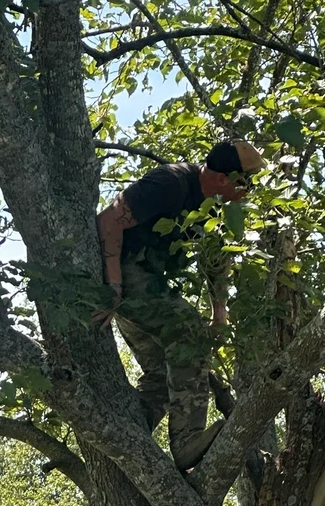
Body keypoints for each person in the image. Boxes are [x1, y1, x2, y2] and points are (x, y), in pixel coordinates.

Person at [94, 139, 263, 470]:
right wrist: (113, 288)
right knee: (187, 331)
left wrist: (220, 314)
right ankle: (186, 441)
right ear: (221, 179)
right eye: (245, 181)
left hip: (149, 282)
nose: (251, 189)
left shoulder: (219, 207)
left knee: (160, 371)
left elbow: (217, 259)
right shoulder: (169, 183)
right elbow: (108, 222)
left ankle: (130, 434)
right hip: (126, 273)